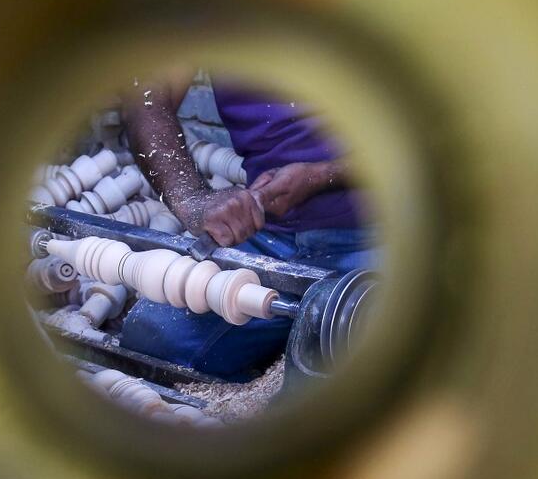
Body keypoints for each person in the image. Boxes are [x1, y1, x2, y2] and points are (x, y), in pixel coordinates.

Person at [118, 71, 378, 381]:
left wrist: (322, 175)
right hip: (270, 234)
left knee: (356, 373)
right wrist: (191, 198)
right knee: (152, 339)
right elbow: (147, 95)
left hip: (374, 232)